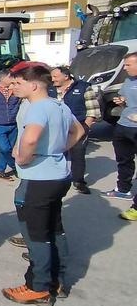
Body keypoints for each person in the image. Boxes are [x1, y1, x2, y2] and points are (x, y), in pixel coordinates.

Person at [2, 66, 83, 306]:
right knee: (53, 228)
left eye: (17, 83)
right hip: (58, 176)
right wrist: (57, 150)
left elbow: (30, 137)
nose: (12, 87)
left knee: (36, 234)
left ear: (34, 85)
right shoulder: (60, 105)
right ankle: (56, 279)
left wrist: (24, 157)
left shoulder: (36, 107)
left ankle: (38, 287)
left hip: (38, 179)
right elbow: (78, 131)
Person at [51, 66, 101, 194]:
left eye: (55, 77)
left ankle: (78, 181)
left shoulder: (84, 87)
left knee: (78, 155)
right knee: (56, 153)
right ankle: (56, 179)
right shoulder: (50, 89)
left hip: (78, 127)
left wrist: (85, 128)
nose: (52, 79)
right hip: (56, 128)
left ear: (66, 76)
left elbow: (93, 111)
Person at [106, 53, 137, 219]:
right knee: (124, 159)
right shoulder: (128, 81)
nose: (125, 68)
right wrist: (121, 100)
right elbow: (127, 99)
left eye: (128, 65)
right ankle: (123, 189)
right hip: (123, 125)